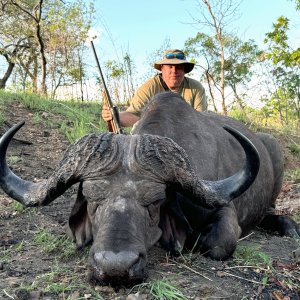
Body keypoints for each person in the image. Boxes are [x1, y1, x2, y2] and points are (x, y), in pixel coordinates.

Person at [101, 49, 207, 127]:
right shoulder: (148, 88)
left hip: (187, 133)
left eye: (179, 67)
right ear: (162, 69)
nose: (174, 71)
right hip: (155, 135)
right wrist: (114, 116)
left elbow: (200, 120)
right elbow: (135, 115)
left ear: (184, 70)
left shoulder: (196, 88)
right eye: (170, 66)